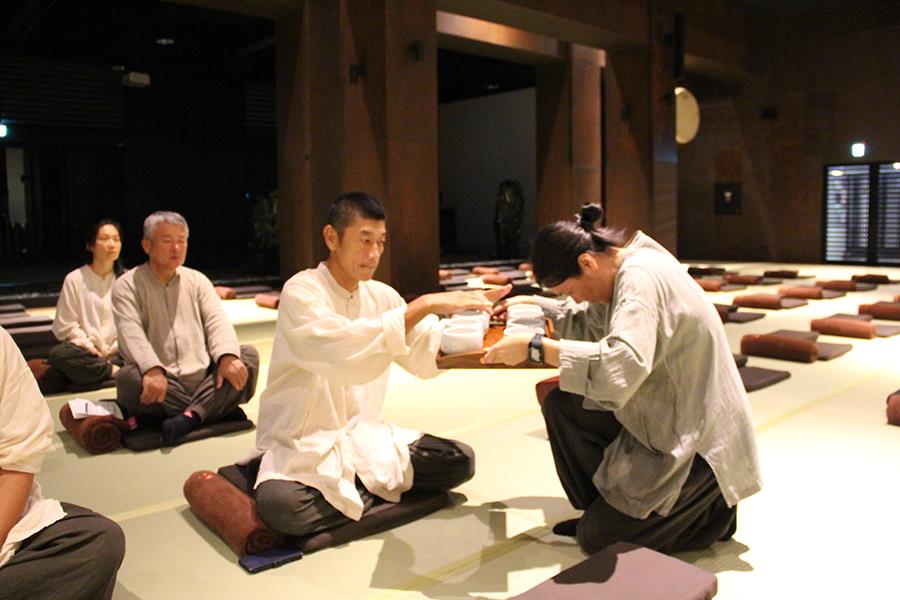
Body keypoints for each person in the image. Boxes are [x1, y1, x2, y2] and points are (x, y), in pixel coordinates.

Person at [483, 203, 761, 555]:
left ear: (587, 262)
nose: (574, 299)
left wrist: (536, 348)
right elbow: (588, 321)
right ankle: (607, 511)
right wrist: (534, 305)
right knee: (563, 405)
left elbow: (620, 366)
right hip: (665, 417)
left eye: (569, 290)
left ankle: (712, 514)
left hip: (698, 440)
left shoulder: (640, 279)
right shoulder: (626, 265)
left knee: (597, 540)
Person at [248, 192, 510, 537]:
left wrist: (486, 324)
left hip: (364, 437)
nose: (373, 253)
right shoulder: (302, 291)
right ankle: (370, 489)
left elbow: (424, 346)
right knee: (282, 507)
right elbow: (343, 354)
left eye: (381, 242)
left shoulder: (381, 295)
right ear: (331, 237)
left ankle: (357, 492)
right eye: (364, 240)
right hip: (303, 441)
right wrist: (425, 304)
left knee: (461, 460)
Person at [112, 211, 259, 444]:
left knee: (247, 356)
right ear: (147, 245)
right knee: (127, 378)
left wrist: (227, 357)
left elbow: (217, 321)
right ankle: (210, 410)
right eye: (167, 241)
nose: (176, 248)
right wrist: (152, 369)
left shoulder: (197, 280)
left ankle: (189, 417)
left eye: (182, 240)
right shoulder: (126, 285)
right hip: (164, 384)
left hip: (204, 379)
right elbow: (132, 334)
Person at [0, 326, 125, 599]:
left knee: (99, 541)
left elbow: (15, 463)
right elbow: (66, 327)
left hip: (117, 362)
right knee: (63, 354)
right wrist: (90, 347)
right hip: (92, 356)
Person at [48, 220, 125, 389]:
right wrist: (90, 347)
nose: (111, 244)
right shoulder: (75, 279)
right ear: (90, 245)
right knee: (59, 354)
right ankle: (114, 372)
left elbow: (135, 323)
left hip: (120, 353)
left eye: (116, 239)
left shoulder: (128, 280)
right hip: (86, 353)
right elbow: (65, 324)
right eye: (104, 238)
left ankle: (98, 373)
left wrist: (116, 348)